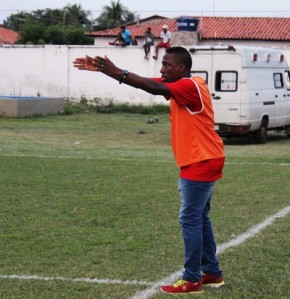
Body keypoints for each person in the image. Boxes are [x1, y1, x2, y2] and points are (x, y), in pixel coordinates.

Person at [73, 47, 225, 295]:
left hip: (200, 160)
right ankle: (212, 272)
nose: (162, 69)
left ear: (182, 68)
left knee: (189, 219)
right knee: (200, 218)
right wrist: (108, 72)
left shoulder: (187, 86)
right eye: (162, 65)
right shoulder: (184, 84)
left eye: (167, 65)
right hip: (205, 158)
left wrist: (114, 70)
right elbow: (147, 83)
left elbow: (154, 88)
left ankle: (192, 278)